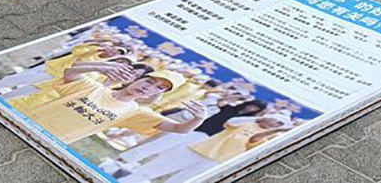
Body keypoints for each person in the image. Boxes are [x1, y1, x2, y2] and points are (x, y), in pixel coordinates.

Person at [15, 66, 205, 146]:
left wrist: (199, 118)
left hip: (48, 141)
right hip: (21, 122)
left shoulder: (134, 113)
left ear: (157, 96)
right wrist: (101, 67)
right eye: (149, 81)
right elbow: (71, 72)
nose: (148, 88)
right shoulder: (95, 88)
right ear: (138, 78)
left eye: (158, 88)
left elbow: (180, 129)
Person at [125, 112, 294, 183]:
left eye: (279, 124)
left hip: (216, 162)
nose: (274, 123)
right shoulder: (248, 121)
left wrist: (275, 130)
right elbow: (230, 123)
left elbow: (254, 141)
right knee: (155, 168)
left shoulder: (271, 137)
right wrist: (259, 118)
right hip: (198, 149)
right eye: (275, 120)